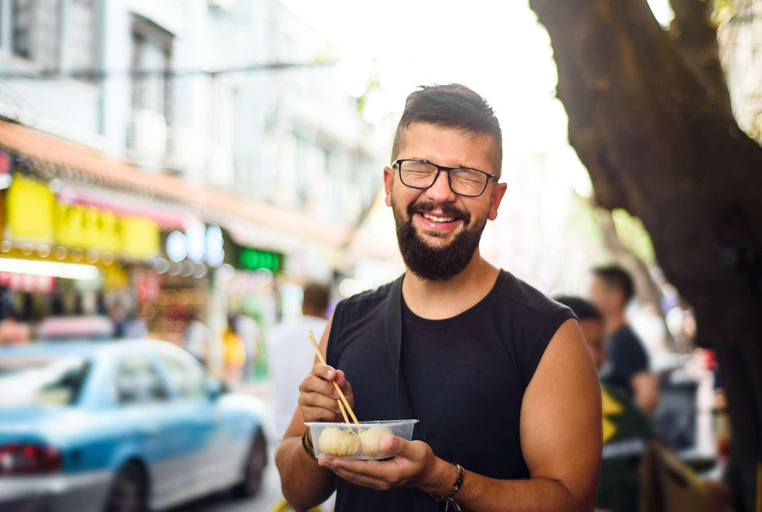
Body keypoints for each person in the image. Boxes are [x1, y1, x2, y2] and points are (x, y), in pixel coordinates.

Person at [276, 84, 602, 512]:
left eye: (467, 176)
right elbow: (298, 493)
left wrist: (440, 478)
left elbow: (570, 503)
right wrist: (315, 433)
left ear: (494, 200)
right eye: (419, 168)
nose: (440, 193)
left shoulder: (547, 334)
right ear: (390, 184)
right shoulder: (349, 318)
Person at [555, 296, 656, 512]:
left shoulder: (622, 407)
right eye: (582, 343)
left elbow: (664, 465)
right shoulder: (523, 421)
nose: (593, 355)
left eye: (599, 344)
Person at [590, 265, 659, 415]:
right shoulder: (610, 340)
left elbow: (648, 394)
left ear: (616, 297)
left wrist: (623, 430)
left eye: (595, 291)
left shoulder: (625, 342)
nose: (590, 297)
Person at [269, 282, 331, 440]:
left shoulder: (277, 333)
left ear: (302, 304)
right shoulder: (331, 333)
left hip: (281, 423)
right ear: (326, 306)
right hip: (318, 427)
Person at [236, 310, 261, 381]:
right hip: (248, 347)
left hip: (242, 347)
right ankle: (247, 379)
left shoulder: (240, 322)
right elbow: (257, 337)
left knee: (244, 365)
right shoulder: (251, 322)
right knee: (248, 365)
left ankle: (244, 380)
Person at [223, 314, 246, 382]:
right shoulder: (237, 331)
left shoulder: (227, 330)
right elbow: (240, 342)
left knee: (230, 371)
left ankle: (232, 383)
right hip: (237, 352)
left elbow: (223, 339)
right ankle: (236, 383)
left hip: (229, 353)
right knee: (237, 371)